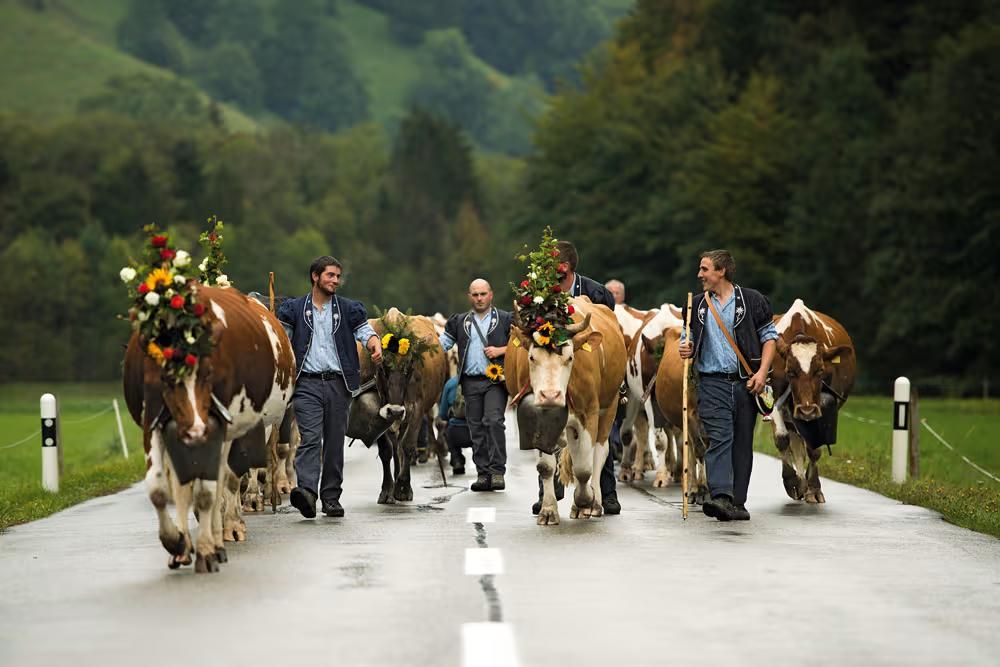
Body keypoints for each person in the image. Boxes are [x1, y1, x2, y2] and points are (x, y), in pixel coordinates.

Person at [277, 256, 382, 519]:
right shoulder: (295, 309)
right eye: (330, 275)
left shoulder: (348, 309)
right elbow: (282, 339)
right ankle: (308, 492)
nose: (335, 280)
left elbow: (364, 331)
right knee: (310, 438)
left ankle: (331, 497)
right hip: (307, 383)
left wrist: (374, 343)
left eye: (337, 276)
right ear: (315, 276)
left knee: (334, 443)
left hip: (339, 384)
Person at [678, 249, 778, 522]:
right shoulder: (696, 305)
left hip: (747, 384)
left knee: (742, 443)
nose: (700, 274)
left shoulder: (753, 300)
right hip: (711, 383)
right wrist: (684, 347)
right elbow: (686, 337)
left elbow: (770, 337)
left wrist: (761, 372)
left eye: (705, 269)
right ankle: (721, 495)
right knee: (720, 437)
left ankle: (738, 502)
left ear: (721, 271)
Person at [531, 241, 622, 516]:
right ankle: (548, 492)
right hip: (553, 372)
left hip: (588, 371)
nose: (547, 274)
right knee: (547, 428)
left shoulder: (598, 294)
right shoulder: (538, 296)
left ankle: (605, 491)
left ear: (566, 268)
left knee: (600, 428)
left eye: (552, 267)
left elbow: (605, 339)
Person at [439, 279, 513, 492]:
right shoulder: (460, 321)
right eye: (475, 294)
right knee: (476, 428)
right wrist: (420, 344)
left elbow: (521, 345)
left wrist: (500, 351)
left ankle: (497, 471)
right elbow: (443, 344)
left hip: (495, 381)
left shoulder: (505, 319)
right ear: (469, 297)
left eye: (483, 294)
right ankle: (483, 474)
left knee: (493, 421)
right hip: (469, 382)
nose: (479, 298)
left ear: (491, 295)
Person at [436, 375, 472, 475]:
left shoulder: (450, 384)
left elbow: (443, 414)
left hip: (455, 432)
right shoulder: (481, 381)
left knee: (447, 428)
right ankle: (481, 461)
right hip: (475, 431)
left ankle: (457, 460)